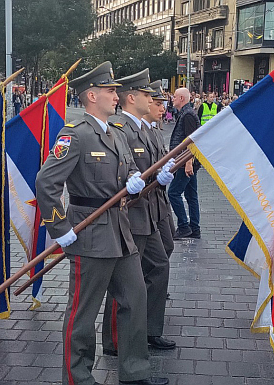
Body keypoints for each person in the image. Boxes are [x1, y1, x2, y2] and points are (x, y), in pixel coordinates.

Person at [35, 62, 169, 385]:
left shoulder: (116, 135)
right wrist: (60, 227)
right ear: (91, 95)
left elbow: (123, 180)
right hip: (90, 233)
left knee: (135, 298)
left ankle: (134, 371)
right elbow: (46, 183)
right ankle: (78, 376)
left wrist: (137, 182)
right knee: (83, 312)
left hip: (121, 232)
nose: (116, 95)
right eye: (110, 90)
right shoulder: (76, 135)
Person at [103, 70, 176, 357]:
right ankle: (113, 340)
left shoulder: (147, 128)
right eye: (147, 95)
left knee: (158, 266)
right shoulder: (120, 128)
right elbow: (121, 168)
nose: (154, 100)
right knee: (123, 280)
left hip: (149, 212)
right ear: (132, 98)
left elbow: (154, 163)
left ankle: (148, 329)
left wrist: (162, 173)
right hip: (132, 214)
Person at [143, 81, 177, 259]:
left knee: (168, 244)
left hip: (159, 199)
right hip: (145, 201)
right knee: (157, 259)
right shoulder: (132, 131)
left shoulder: (155, 130)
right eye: (157, 104)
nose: (163, 109)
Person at [168, 87, 201, 239]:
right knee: (190, 195)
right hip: (185, 161)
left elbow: (190, 141)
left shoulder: (187, 115)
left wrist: (188, 163)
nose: (172, 99)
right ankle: (194, 228)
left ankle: (183, 226)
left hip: (184, 162)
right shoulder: (186, 113)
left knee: (173, 193)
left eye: (174, 96)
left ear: (181, 98)